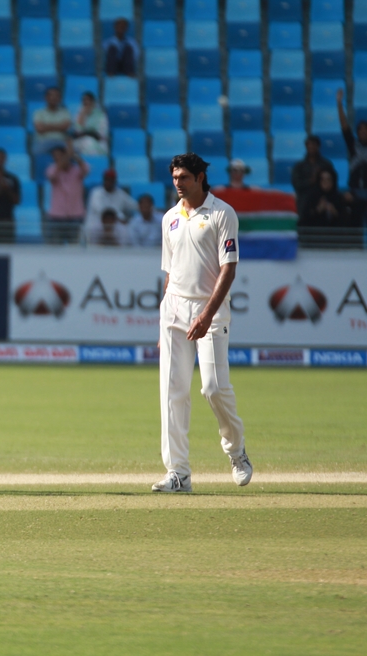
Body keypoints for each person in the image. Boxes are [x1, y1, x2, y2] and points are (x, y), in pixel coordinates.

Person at [154, 153, 250, 493]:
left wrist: (205, 315)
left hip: (210, 310)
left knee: (213, 387)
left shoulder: (223, 213)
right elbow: (170, 273)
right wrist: (163, 320)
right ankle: (178, 473)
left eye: (183, 177)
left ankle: (236, 451)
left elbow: (229, 268)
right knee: (172, 390)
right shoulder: (169, 218)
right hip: (174, 310)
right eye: (174, 177)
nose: (177, 183)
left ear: (199, 178)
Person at [298, 167, 359, 248]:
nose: (325, 182)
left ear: (333, 181)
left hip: (336, 244)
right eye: (322, 179)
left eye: (328, 179)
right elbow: (303, 222)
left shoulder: (339, 198)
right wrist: (318, 210)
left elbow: (347, 224)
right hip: (314, 244)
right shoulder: (311, 198)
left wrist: (335, 212)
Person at [43, 143, 89, 244]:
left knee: (74, 249)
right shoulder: (51, 169)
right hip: (56, 216)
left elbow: (86, 169)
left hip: (75, 215)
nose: (56, 158)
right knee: (55, 249)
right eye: (54, 156)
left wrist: (74, 155)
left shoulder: (77, 171)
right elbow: (52, 176)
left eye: (58, 155)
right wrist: (67, 155)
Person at [291, 135, 336, 218]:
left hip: (324, 197)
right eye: (309, 144)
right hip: (305, 199)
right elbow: (297, 184)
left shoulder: (326, 164)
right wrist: (311, 181)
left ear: (318, 146)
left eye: (313, 144)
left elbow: (333, 183)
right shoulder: (299, 166)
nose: (311, 146)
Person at [336, 88, 367, 200]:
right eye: (360, 130)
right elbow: (344, 127)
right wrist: (339, 104)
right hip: (355, 190)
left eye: (365, 130)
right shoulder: (353, 144)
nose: (363, 132)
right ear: (357, 133)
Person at [32, 87, 72, 155]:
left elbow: (65, 127)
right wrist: (59, 126)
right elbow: (40, 129)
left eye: (56, 96)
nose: (54, 98)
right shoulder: (38, 113)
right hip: (44, 141)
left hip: (61, 141)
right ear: (46, 97)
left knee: (73, 153)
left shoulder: (65, 113)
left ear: (60, 98)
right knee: (37, 153)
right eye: (51, 95)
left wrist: (46, 126)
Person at [71, 91, 109, 156]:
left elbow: (102, 134)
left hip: (98, 142)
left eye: (88, 100)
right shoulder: (79, 114)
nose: (85, 102)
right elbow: (78, 131)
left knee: (88, 142)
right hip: (80, 141)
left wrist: (88, 133)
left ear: (93, 102)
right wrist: (83, 115)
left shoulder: (101, 115)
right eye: (84, 100)